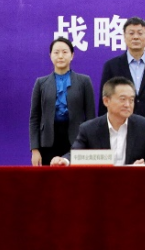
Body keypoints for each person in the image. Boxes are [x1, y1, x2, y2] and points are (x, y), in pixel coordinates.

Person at [99, 17, 145, 157]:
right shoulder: (112, 66)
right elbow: (104, 103)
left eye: (140, 33)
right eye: (131, 33)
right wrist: (103, 134)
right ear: (124, 36)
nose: (135, 37)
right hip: (119, 130)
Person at [50, 77, 145, 166]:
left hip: (135, 185)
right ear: (106, 101)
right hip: (101, 185)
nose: (128, 104)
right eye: (122, 99)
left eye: (131, 100)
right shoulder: (89, 129)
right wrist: (64, 160)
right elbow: (77, 156)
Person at [29, 37, 96, 166]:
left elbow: (91, 117)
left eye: (65, 52)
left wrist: (90, 145)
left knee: (76, 177)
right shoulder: (41, 83)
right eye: (56, 52)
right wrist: (35, 150)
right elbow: (34, 118)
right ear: (50, 56)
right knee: (48, 178)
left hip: (77, 140)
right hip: (47, 142)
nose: (60, 56)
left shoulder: (84, 81)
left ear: (72, 55)